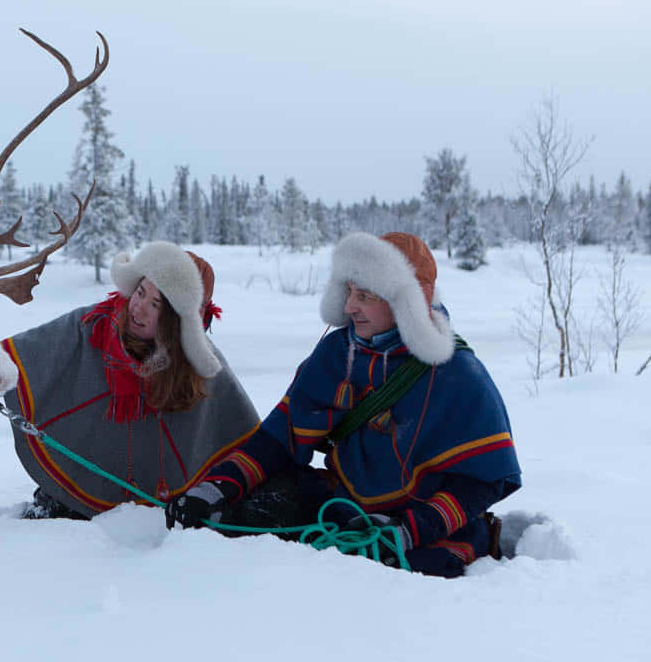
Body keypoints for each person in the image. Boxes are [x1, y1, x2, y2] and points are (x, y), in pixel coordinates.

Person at [165, 232, 520, 578]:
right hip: (344, 508)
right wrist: (215, 488)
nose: (350, 307)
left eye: (364, 296)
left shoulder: (458, 373)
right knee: (231, 518)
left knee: (388, 571)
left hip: (424, 524)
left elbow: (482, 482)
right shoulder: (338, 352)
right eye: (349, 292)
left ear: (404, 303)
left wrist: (409, 530)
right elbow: (278, 438)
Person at [4, 240, 260, 519]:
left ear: (177, 322)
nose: (138, 308)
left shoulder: (202, 367)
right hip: (75, 497)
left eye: (155, 304)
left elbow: (245, 441)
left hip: (167, 519)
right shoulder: (91, 326)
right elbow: (15, 359)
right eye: (140, 292)